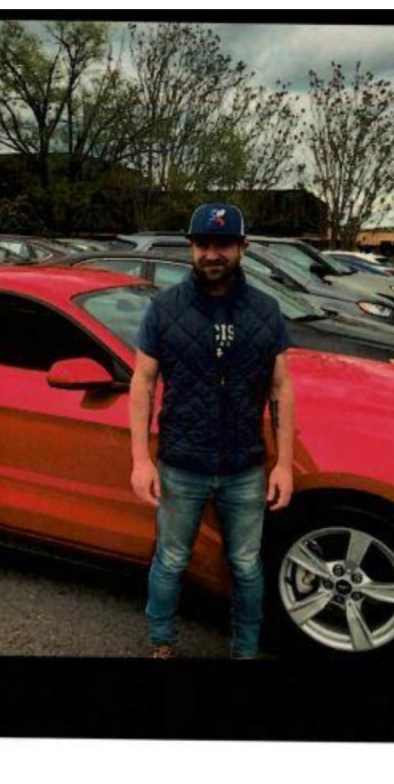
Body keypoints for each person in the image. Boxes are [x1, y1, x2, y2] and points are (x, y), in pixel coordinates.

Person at [129, 203, 295, 660]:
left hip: (245, 467)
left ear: (242, 247)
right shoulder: (164, 308)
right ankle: (162, 640)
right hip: (182, 463)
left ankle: (246, 647)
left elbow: (280, 385)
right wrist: (142, 460)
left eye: (222, 244)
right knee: (172, 560)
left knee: (245, 565)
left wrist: (283, 463)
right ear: (192, 248)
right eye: (202, 244)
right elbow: (142, 382)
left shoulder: (266, 310)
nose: (211, 254)